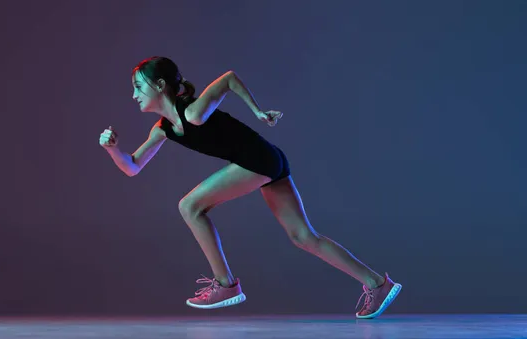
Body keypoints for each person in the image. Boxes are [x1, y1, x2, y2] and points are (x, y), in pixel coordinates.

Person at [99, 56, 402, 319]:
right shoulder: (163, 129)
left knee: (189, 206)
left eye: (138, 87)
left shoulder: (192, 112)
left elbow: (228, 79)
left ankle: (226, 285)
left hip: (258, 160)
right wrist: (113, 149)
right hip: (270, 160)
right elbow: (133, 166)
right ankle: (377, 283)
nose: (134, 94)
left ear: (159, 85)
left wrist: (257, 111)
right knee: (303, 236)